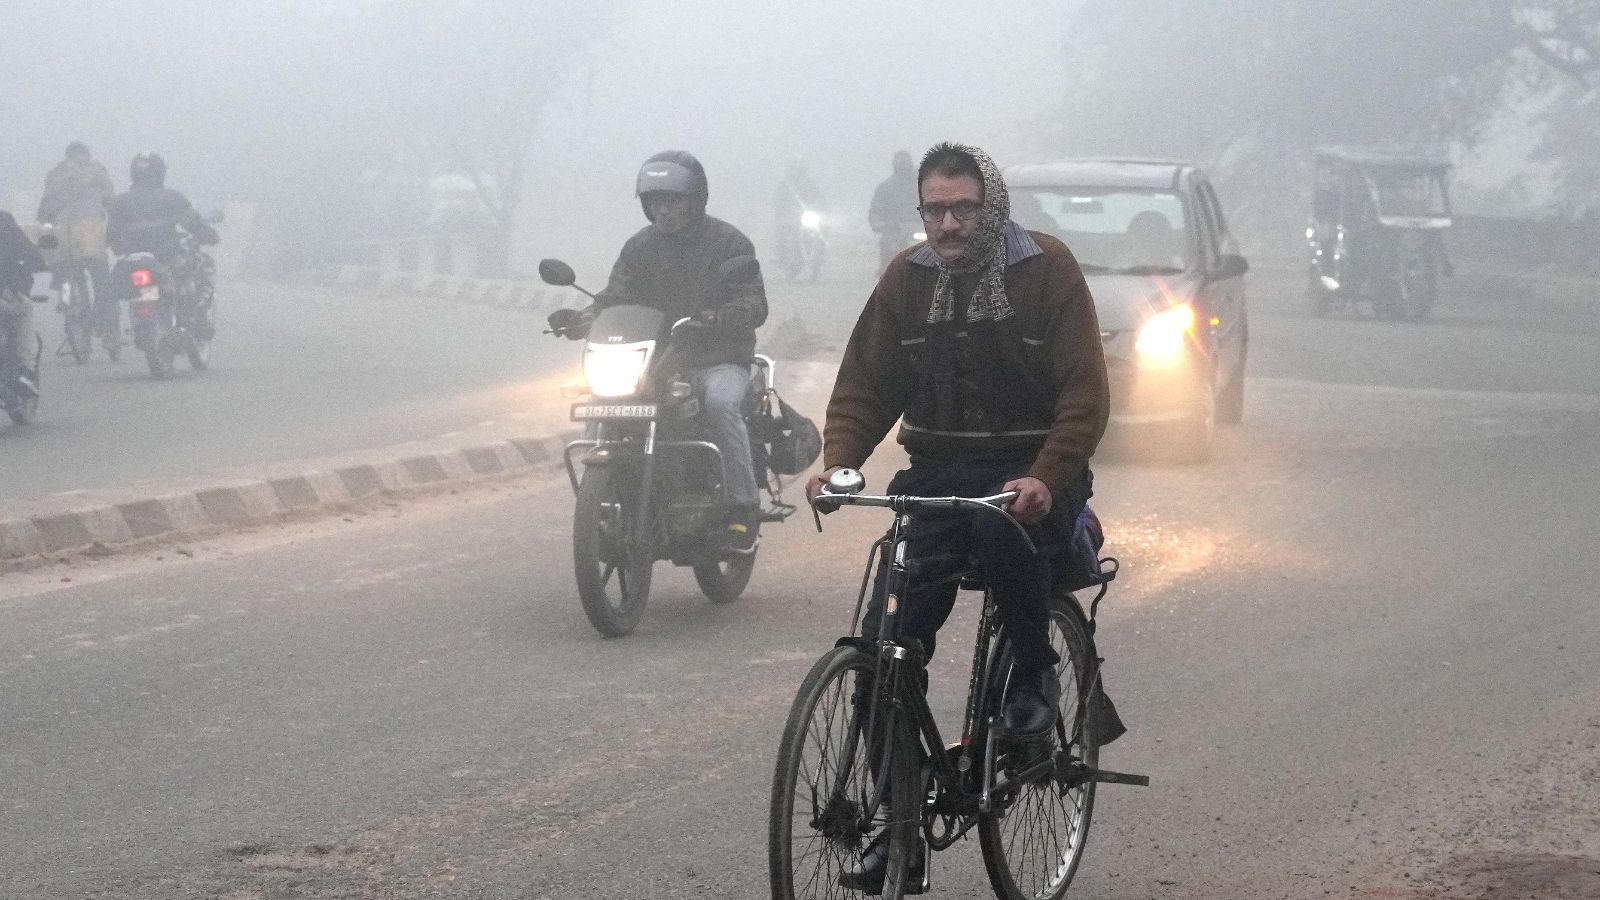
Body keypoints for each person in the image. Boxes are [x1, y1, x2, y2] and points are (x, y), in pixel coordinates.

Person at [807, 140, 1110, 890]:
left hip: (1033, 471)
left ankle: (1033, 676)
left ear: (992, 206)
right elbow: (865, 386)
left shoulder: (1048, 271)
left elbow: (1084, 397)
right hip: (938, 471)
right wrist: (839, 462)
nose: (947, 225)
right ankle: (898, 830)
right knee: (882, 658)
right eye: (935, 210)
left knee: (998, 524)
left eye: (962, 209)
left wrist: (1045, 475)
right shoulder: (906, 281)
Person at [547, 151, 769, 551]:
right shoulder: (639, 247)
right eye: (655, 203)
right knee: (603, 401)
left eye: (673, 201)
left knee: (720, 404)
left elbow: (754, 302)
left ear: (695, 199)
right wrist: (583, 319)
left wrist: (722, 316)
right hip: (654, 362)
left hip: (715, 358)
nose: (663, 211)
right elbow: (615, 297)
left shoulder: (729, 242)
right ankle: (604, 501)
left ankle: (742, 506)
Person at [105, 153, 220, 337]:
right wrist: (210, 236)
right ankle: (194, 318)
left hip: (132, 260)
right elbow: (195, 225)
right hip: (167, 256)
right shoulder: (172, 199)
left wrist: (121, 247)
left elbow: (111, 236)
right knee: (198, 267)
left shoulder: (118, 203)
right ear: (161, 173)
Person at [37, 142, 117, 346]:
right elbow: (110, 199)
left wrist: (47, 220)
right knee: (102, 281)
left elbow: (45, 207)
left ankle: (66, 296)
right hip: (90, 235)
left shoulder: (56, 172)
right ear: (86, 154)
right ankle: (110, 330)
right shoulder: (97, 170)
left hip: (63, 236)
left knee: (64, 267)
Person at [0, 209, 48, 406]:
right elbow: (31, 254)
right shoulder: (3, 221)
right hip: (7, 295)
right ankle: (25, 372)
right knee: (25, 309)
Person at [867, 149, 921, 270]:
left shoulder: (923, 185)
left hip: (919, 229)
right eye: (900, 164)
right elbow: (875, 212)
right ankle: (886, 274)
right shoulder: (885, 188)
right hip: (894, 230)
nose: (903, 167)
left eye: (905, 163)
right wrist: (881, 224)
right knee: (888, 246)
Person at [772, 158, 826, 277]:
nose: (798, 173)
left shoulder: (811, 185)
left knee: (821, 232)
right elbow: (777, 200)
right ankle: (780, 255)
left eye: (800, 170)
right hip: (790, 217)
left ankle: (819, 258)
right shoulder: (784, 186)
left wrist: (820, 207)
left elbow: (820, 199)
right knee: (782, 231)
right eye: (796, 170)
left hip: (805, 217)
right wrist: (784, 208)